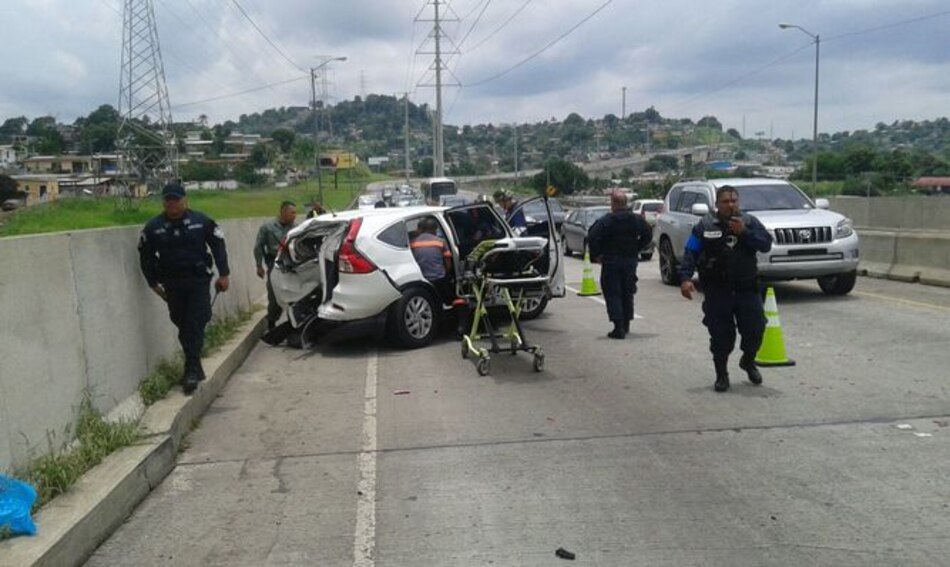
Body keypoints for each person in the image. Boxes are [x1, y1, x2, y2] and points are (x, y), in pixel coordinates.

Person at [679, 185, 773, 392]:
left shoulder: (749, 222)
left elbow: (766, 244)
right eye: (725, 201)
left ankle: (748, 361)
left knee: (755, 329)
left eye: (734, 201)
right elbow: (691, 250)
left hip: (746, 288)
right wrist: (685, 278)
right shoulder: (705, 225)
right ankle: (721, 374)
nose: (730, 205)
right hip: (717, 290)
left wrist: (745, 232)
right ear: (717, 204)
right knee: (721, 336)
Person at [138, 183, 230, 394]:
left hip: (198, 281)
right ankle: (195, 366)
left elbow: (218, 246)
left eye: (176, 199)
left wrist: (224, 274)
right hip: (172, 283)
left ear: (185, 200)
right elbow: (145, 257)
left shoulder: (201, 221)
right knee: (182, 323)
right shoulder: (153, 227)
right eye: (168, 199)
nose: (172, 203)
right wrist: (153, 284)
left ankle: (190, 370)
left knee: (197, 320)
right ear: (163, 202)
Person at [587, 190, 653, 339]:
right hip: (630, 261)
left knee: (613, 292)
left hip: (612, 261)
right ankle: (626, 323)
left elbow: (592, 235)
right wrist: (637, 247)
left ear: (614, 204)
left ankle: (618, 327)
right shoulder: (636, 219)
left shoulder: (608, 220)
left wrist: (597, 254)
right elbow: (648, 234)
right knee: (627, 291)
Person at [254, 201, 297, 330]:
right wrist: (259, 265)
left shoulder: (296, 228)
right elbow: (258, 246)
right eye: (292, 212)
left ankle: (293, 322)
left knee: (293, 294)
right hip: (275, 263)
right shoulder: (268, 227)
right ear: (283, 212)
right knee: (274, 294)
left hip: (291, 264)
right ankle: (272, 322)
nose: (295, 215)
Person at [410, 217, 453, 303]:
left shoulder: (412, 243)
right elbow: (448, 264)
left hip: (421, 278)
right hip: (439, 278)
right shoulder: (441, 242)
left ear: (420, 229)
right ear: (435, 229)